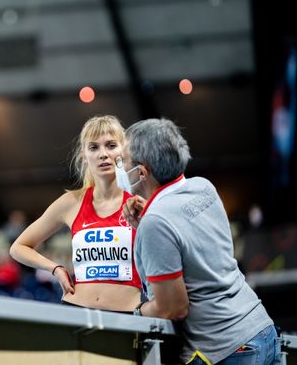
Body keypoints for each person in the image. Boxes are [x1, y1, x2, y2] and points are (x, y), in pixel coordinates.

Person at [120, 118, 280, 365]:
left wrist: (136, 312)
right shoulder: (204, 187)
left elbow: (173, 308)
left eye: (124, 162)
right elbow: (189, 245)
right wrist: (147, 226)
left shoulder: (157, 222)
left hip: (227, 350)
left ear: (141, 172)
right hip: (261, 330)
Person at [10, 115, 142, 312]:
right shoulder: (71, 203)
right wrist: (55, 269)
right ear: (84, 155)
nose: (103, 154)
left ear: (124, 150)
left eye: (111, 145)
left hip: (127, 315)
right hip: (77, 310)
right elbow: (18, 247)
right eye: (94, 147)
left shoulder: (139, 201)